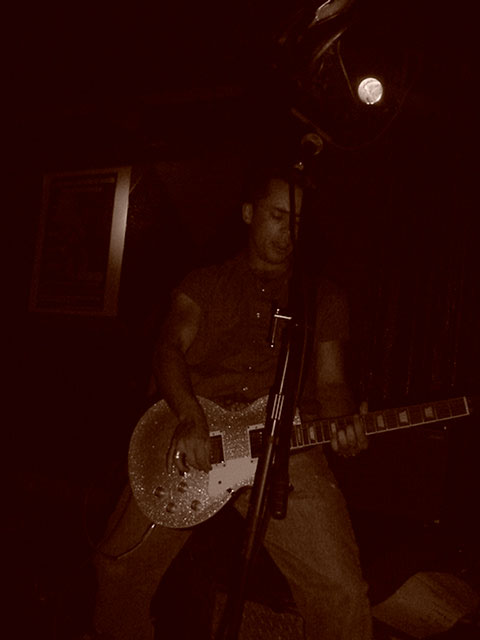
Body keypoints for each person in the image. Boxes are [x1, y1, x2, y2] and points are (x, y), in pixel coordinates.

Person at [93, 165, 372, 640]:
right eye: (277, 216)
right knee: (117, 566)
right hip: (199, 435)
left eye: (296, 222)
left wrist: (344, 423)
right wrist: (189, 416)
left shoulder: (322, 297)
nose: (288, 232)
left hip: (285, 446)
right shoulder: (203, 283)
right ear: (248, 213)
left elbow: (331, 384)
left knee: (342, 592)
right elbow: (168, 349)